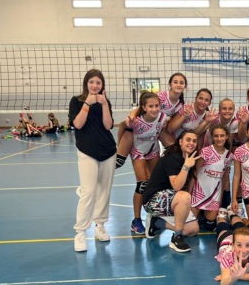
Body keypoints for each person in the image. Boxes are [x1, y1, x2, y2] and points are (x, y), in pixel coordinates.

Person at [68, 69, 116, 253]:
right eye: (91, 82)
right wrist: (88, 103)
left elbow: (108, 125)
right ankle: (80, 232)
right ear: (86, 83)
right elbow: (78, 124)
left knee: (104, 191)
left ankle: (100, 226)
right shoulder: (76, 101)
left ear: (102, 85)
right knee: (88, 192)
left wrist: (104, 104)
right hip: (87, 152)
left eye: (98, 82)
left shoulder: (105, 101)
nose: (95, 85)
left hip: (108, 151)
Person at [142, 129, 201, 253]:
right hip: (152, 200)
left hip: (171, 199)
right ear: (180, 142)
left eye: (194, 141)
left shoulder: (189, 158)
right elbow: (177, 186)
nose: (191, 143)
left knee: (192, 229)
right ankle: (177, 238)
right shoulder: (172, 158)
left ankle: (155, 222)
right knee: (184, 196)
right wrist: (186, 166)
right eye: (188, 140)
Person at [115, 73, 188, 168]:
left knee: (175, 150)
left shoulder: (180, 105)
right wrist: (132, 115)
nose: (178, 85)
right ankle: (122, 151)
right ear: (170, 84)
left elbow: (170, 123)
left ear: (185, 86)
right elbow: (140, 108)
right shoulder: (161, 96)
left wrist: (168, 120)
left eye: (181, 83)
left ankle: (167, 167)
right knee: (119, 161)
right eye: (175, 82)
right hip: (143, 125)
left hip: (157, 127)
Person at [125, 91, 170, 235]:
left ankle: (154, 216)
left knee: (155, 184)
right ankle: (136, 220)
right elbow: (123, 130)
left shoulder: (162, 118)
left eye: (157, 106)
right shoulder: (136, 121)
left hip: (153, 151)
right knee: (142, 185)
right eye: (151, 106)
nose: (154, 109)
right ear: (143, 107)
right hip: (138, 152)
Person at [190, 124, 233, 232]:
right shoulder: (206, 151)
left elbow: (224, 179)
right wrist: (189, 193)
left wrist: (220, 200)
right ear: (212, 137)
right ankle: (199, 215)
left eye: (222, 136)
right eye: (216, 136)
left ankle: (203, 217)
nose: (219, 139)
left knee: (209, 226)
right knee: (190, 226)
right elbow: (195, 172)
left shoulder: (229, 156)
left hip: (214, 195)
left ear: (227, 136)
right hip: (198, 193)